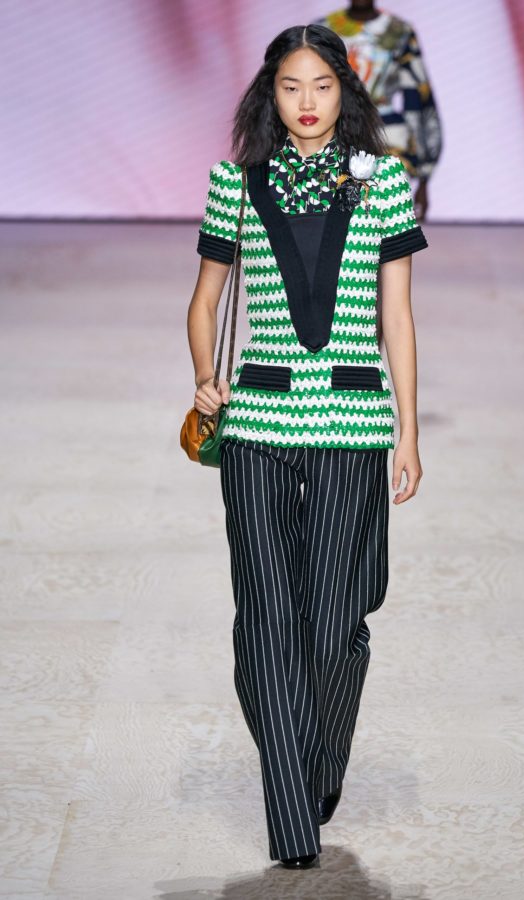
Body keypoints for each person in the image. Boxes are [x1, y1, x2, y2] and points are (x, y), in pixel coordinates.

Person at [186, 23, 427, 870]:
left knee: (332, 626)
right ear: (271, 93)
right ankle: (293, 814)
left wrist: (407, 428)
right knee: (265, 617)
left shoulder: (384, 182)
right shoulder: (236, 183)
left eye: (321, 85)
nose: (307, 102)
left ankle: (319, 766)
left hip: (352, 424)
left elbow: (398, 316)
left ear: (344, 90)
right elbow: (206, 302)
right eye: (291, 87)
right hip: (257, 422)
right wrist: (205, 378)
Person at [312, 1, 442, 220]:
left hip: (387, 135)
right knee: (339, 220)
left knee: (384, 218)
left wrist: (424, 179)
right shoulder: (323, 30)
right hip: (335, 132)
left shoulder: (398, 31)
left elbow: (417, 97)